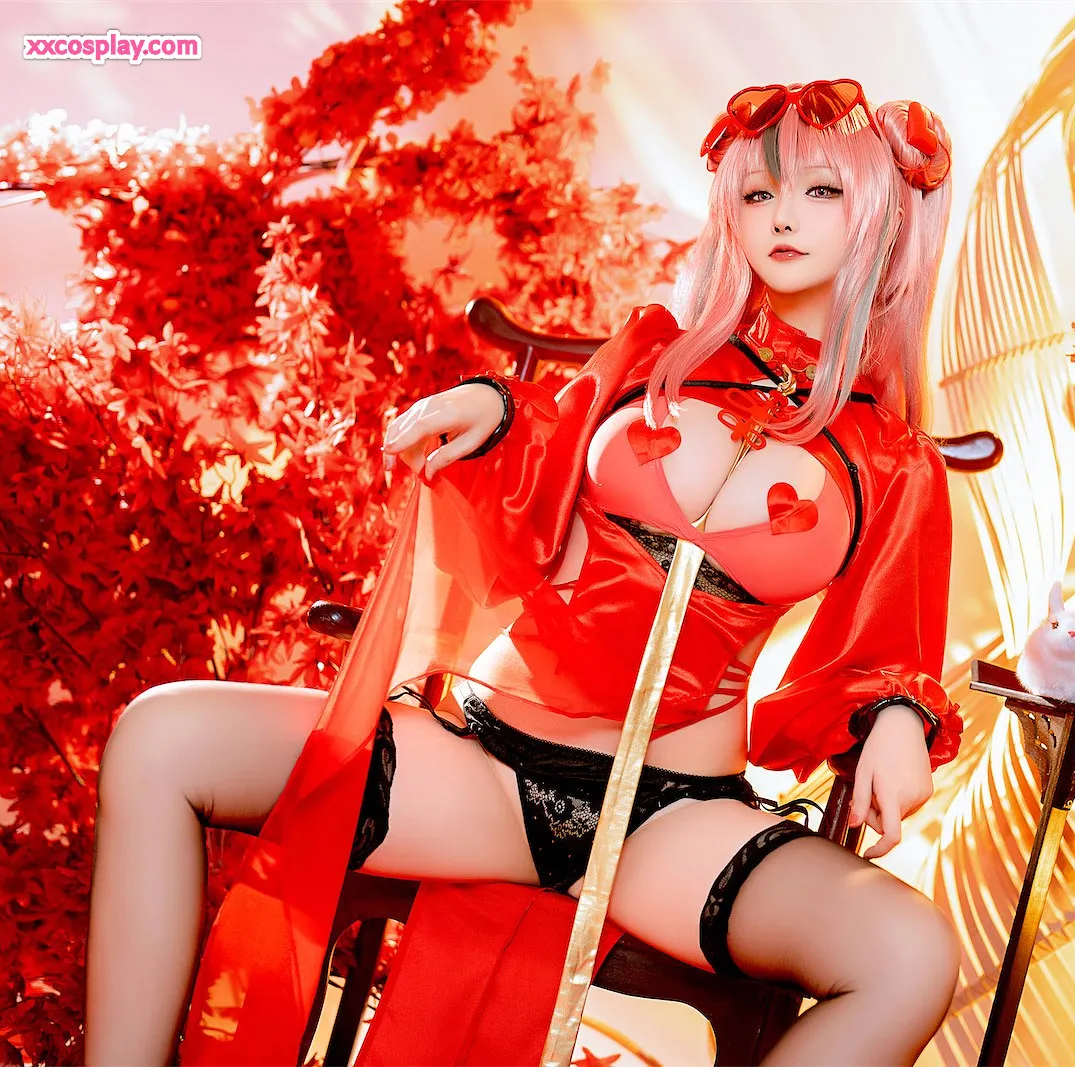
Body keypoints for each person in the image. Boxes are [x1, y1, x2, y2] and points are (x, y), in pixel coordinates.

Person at [88, 79, 963, 1066]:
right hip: (488, 773)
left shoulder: (894, 461)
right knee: (160, 737)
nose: (782, 218)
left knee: (911, 952)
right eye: (758, 194)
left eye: (819, 192)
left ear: (882, 214)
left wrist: (899, 718)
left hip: (674, 823)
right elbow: (547, 446)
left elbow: (887, 644)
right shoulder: (653, 353)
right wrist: (495, 405)